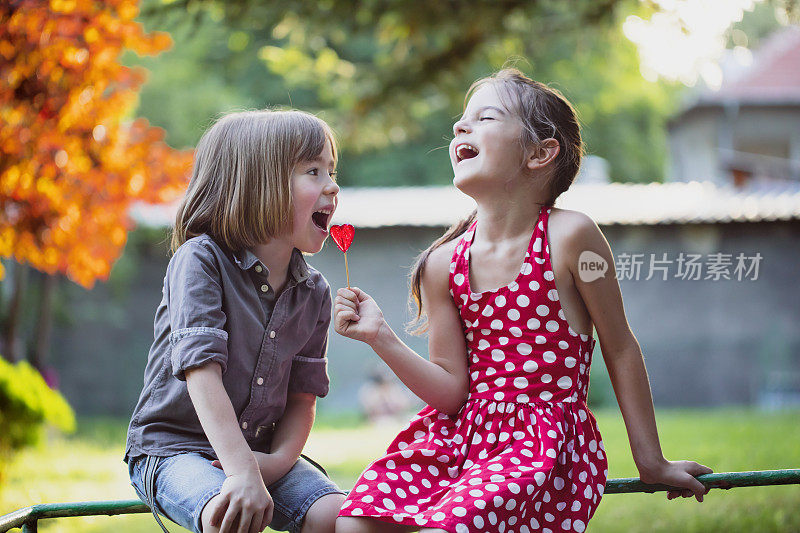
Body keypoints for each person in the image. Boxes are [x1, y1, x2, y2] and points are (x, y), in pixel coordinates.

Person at [333, 69, 712, 533]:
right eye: (461, 119)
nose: (459, 127)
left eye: (485, 117)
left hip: (538, 446)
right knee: (354, 524)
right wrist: (381, 337)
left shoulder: (573, 238)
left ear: (540, 152)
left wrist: (651, 461)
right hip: (456, 440)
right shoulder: (441, 264)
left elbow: (619, 346)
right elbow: (452, 392)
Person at [124, 110, 346, 533]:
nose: (333, 186)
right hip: (174, 449)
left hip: (262, 450)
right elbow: (201, 374)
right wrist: (242, 473)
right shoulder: (201, 260)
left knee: (336, 517)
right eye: (314, 171)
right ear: (260, 184)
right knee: (232, 514)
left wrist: (274, 463)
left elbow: (303, 398)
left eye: (332, 171)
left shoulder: (314, 291)